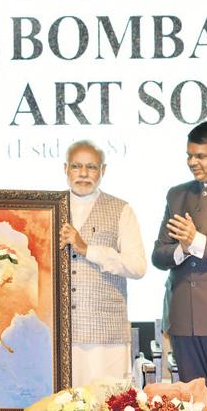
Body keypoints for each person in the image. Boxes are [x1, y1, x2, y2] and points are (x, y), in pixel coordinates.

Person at [152, 121, 207, 410]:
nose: (192, 162)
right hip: (183, 319)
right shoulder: (177, 194)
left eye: (201, 156)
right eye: (189, 155)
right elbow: (158, 255)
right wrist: (182, 250)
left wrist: (198, 242)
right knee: (192, 404)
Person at [58, 140, 146, 387]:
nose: (83, 174)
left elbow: (137, 266)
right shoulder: (48, 207)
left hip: (106, 333)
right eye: (76, 166)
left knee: (107, 401)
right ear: (65, 169)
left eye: (91, 167)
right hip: (59, 333)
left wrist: (88, 250)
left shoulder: (121, 209)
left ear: (103, 170)